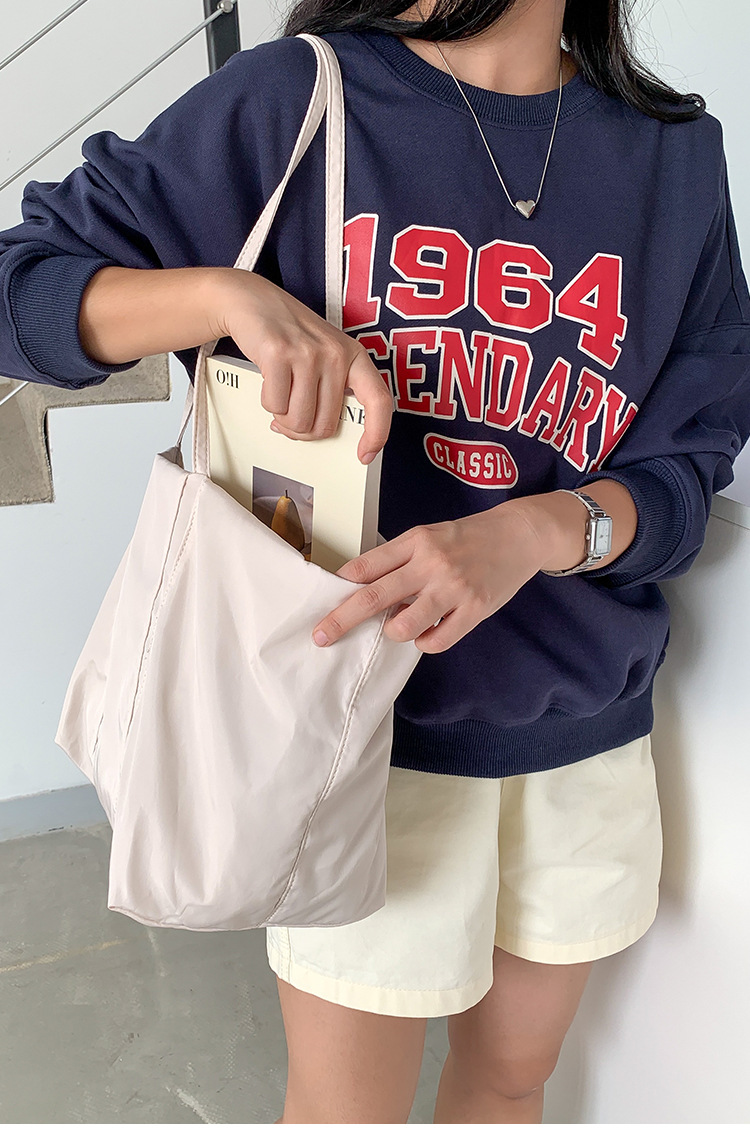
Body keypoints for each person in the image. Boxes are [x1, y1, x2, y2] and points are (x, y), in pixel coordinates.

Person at [1, 0, 749, 1125]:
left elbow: (688, 468)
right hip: (350, 739)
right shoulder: (299, 101)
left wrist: (536, 533)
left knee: (514, 1080)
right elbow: (20, 286)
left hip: (587, 732)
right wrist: (227, 297)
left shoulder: (672, 155)